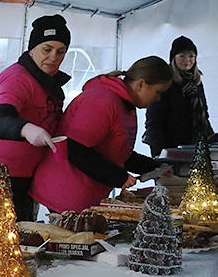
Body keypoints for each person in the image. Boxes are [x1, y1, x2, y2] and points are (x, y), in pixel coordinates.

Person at [0, 14, 72, 221]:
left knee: (23, 237)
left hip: (22, 173)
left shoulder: (49, 82)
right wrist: (27, 129)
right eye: (46, 49)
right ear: (32, 50)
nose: (54, 57)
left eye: (61, 51)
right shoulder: (17, 78)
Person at [30, 56, 174, 213]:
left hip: (86, 197)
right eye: (158, 92)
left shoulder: (125, 105)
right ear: (141, 84)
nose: (158, 99)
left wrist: (151, 166)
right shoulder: (102, 101)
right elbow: (74, 148)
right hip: (66, 195)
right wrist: (118, 177)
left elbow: (116, 152)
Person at [143, 35, 214, 157]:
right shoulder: (165, 81)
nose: (187, 60)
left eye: (191, 56)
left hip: (196, 146)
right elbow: (154, 120)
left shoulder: (196, 83)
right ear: (173, 58)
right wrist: (159, 154)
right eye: (182, 56)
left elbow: (204, 115)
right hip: (171, 148)